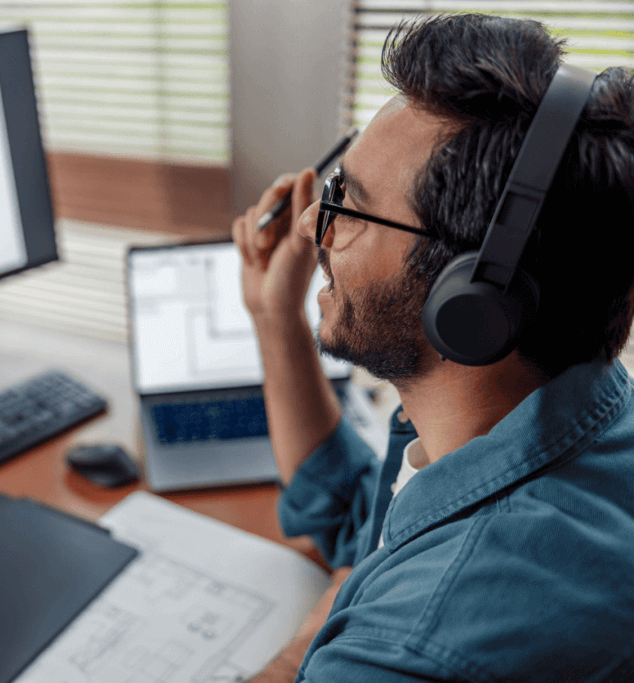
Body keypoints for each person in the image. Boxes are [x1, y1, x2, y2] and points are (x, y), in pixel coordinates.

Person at [231, 13, 634, 682]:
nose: (309, 225)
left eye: (347, 206)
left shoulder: (412, 649)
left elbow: (399, 587)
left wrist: (299, 646)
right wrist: (277, 315)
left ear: (472, 299)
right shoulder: (572, 415)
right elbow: (363, 520)